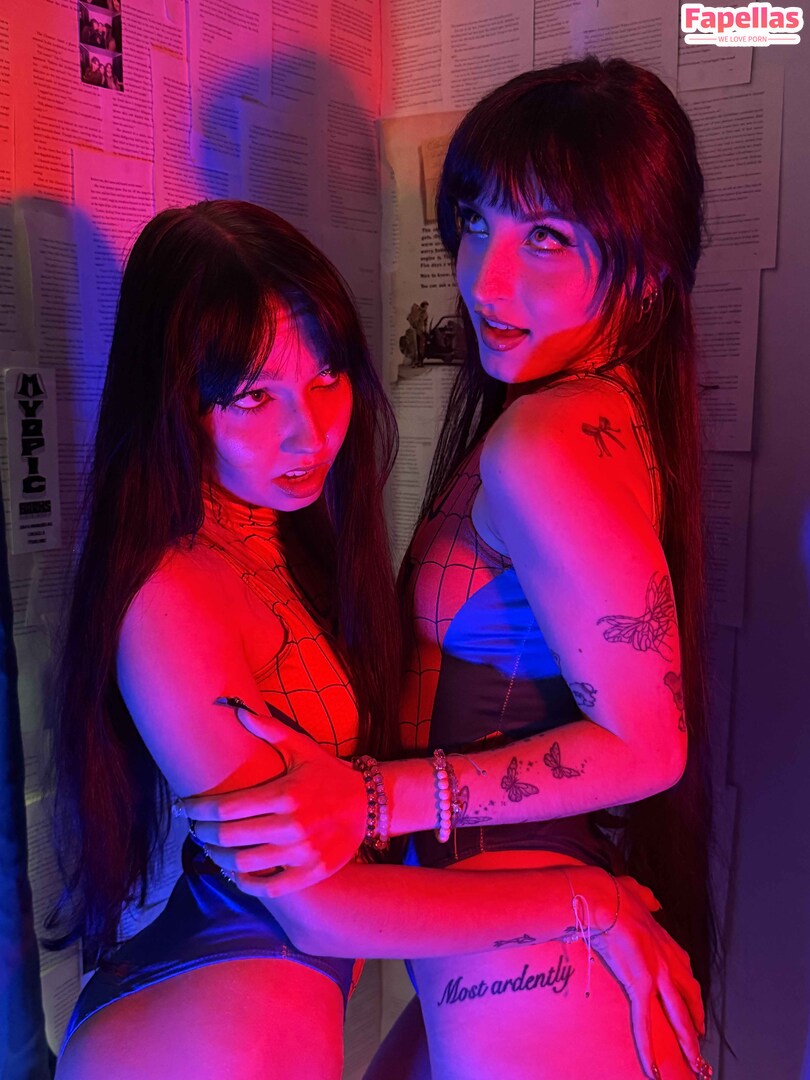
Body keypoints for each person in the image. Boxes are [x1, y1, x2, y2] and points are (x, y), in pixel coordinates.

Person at [49, 198, 702, 1080]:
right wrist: (592, 903)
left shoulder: (279, 541)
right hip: (196, 1042)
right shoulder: (173, 594)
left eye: (326, 379)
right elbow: (320, 911)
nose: (308, 432)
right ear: (175, 404)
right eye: (253, 397)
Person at [184, 57, 714, 1080]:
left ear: (648, 270)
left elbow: (650, 747)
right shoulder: (581, 416)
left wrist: (371, 800)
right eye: (475, 221)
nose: (485, 279)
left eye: (546, 237)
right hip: (515, 921)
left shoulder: (551, 442)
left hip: (532, 938)